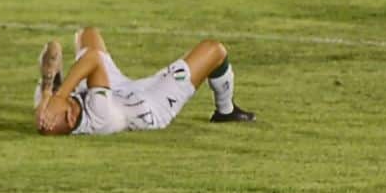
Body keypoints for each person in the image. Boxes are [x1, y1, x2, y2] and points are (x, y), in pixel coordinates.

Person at [34, 27, 255, 136]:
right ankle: (226, 112)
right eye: (54, 111)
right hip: (149, 106)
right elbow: (94, 60)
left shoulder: (53, 113)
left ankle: (60, 82)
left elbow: (90, 52)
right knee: (214, 50)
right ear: (72, 116)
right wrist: (61, 94)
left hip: (116, 92)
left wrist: (47, 94)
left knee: (88, 33)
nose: (48, 114)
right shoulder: (99, 114)